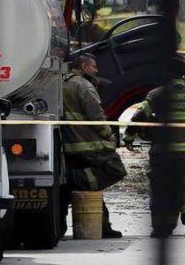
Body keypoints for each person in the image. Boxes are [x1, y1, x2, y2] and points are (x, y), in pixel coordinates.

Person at [123, 55, 185, 238]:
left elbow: (139, 116)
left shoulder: (157, 93)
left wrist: (129, 136)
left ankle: (162, 226)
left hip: (163, 152)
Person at [60, 53, 126, 238]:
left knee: (93, 187)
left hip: (70, 145)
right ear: (84, 66)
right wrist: (110, 136)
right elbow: (97, 116)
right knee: (114, 169)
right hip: (87, 145)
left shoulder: (63, 83)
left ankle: (102, 225)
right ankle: (77, 182)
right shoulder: (83, 86)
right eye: (94, 67)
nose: (96, 70)